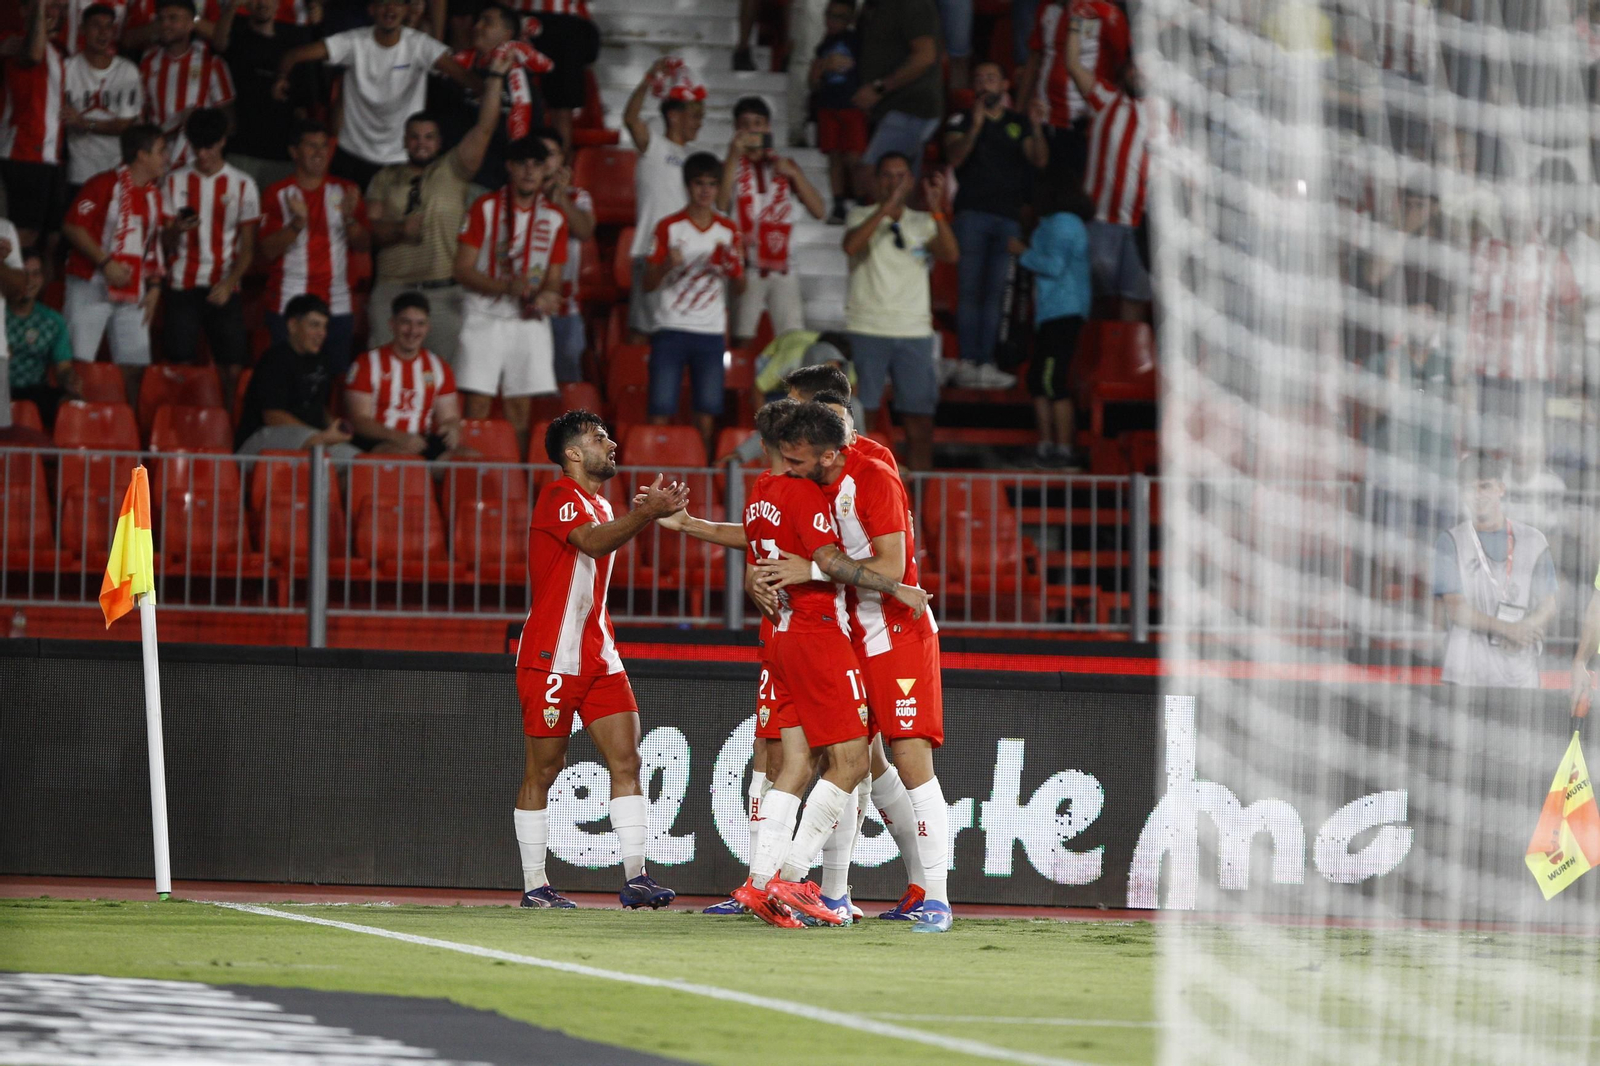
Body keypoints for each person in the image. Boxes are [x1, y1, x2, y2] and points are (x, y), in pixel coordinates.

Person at [659, 400, 928, 923]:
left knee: (797, 764)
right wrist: (897, 586)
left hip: (779, 639)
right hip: (820, 635)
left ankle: (760, 884)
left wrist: (690, 525)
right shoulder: (805, 493)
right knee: (851, 763)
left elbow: (763, 541)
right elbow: (825, 560)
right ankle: (796, 879)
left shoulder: (761, 490)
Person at [758, 400, 952, 931]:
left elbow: (892, 566)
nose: (788, 468)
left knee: (910, 759)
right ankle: (826, 890)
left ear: (827, 453)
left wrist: (811, 573)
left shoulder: (874, 478)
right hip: (848, 638)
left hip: (898, 636)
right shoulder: (813, 480)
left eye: (797, 460)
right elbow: (786, 538)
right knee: (850, 762)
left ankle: (936, 896)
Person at [513, 409, 689, 909]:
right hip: (551, 655)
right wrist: (645, 514)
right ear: (572, 453)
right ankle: (534, 886)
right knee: (543, 770)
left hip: (599, 654)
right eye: (599, 436)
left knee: (628, 759)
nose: (611, 442)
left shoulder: (600, 503)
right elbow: (590, 542)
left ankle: (636, 878)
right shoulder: (558, 496)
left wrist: (643, 514)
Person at [365, 54, 511, 366]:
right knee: (382, 374)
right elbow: (370, 232)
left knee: (443, 377)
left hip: (443, 294)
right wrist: (400, 230)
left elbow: (485, 128)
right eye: (414, 137)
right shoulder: (384, 177)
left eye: (429, 137)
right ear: (404, 141)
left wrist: (495, 76)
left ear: (440, 142)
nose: (421, 143)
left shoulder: (454, 169)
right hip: (391, 289)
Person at [272, 0, 477, 191]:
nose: (390, 9)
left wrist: (492, 91)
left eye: (397, 3)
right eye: (383, 3)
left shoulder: (420, 45)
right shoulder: (354, 41)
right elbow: (293, 55)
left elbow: (464, 77)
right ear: (371, 10)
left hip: (399, 158)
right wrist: (282, 77)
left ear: (406, 10)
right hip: (351, 153)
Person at [842, 152, 957, 471]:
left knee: (920, 422)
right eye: (888, 176)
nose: (894, 182)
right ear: (877, 181)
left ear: (910, 181)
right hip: (868, 327)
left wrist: (936, 212)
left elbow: (951, 253)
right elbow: (850, 246)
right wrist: (883, 211)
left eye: (901, 176)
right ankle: (861, 497)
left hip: (914, 331)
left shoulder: (922, 221)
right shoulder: (860, 215)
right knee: (861, 421)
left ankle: (917, 503)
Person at [453, 135, 566, 456]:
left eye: (536, 165)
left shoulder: (554, 217)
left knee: (520, 407)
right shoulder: (485, 208)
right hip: (483, 314)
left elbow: (554, 280)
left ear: (546, 170)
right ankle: (469, 480)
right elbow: (462, 269)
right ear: (510, 168)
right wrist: (505, 287)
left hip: (527, 318)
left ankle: (513, 481)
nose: (529, 172)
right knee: (477, 401)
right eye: (522, 164)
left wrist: (548, 296)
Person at [942, 61, 1047, 390]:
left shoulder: (1018, 123)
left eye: (991, 78)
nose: (984, 83)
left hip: (1008, 218)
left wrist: (1038, 126)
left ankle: (986, 361)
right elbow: (954, 158)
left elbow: (1039, 159)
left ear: (1005, 85)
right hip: (971, 215)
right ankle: (968, 361)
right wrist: (974, 127)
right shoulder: (960, 119)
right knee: (970, 291)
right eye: (979, 79)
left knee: (996, 293)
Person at [641, 151, 745, 461]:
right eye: (699, 183)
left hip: (710, 331)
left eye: (712, 184)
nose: (705, 191)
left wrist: (732, 269)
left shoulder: (728, 231)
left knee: (707, 412)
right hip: (670, 327)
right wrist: (665, 267)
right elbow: (647, 284)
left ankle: (704, 478)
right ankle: (653, 474)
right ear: (688, 186)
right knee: (660, 407)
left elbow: (740, 288)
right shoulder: (668, 227)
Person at [61, 124, 168, 407]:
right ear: (141, 155)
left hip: (134, 289)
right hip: (90, 284)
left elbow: (151, 246)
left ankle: (128, 433)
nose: (166, 158)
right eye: (160, 151)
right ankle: (73, 427)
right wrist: (105, 262)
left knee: (135, 368)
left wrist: (155, 286)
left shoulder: (154, 195)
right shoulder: (102, 184)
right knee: (79, 362)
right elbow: (72, 226)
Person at [1432, 452, 1558, 689]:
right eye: (1470, 489)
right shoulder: (1450, 541)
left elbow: (1549, 605)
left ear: (1501, 488)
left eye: (1485, 486)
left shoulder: (1534, 540)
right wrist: (1509, 629)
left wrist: (1526, 627)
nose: (1478, 495)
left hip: (1518, 673)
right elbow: (1456, 610)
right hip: (1467, 675)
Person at [160, 107, 259, 402]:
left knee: (232, 367)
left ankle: (227, 424)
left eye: (209, 146)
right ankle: (179, 422)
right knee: (180, 363)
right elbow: (164, 242)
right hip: (181, 283)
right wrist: (176, 229)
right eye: (196, 146)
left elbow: (248, 247)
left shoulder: (243, 185)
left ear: (223, 141)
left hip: (223, 285)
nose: (202, 154)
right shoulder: (174, 181)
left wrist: (230, 284)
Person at [258, 120, 370, 377]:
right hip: (289, 300)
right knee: (288, 376)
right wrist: (297, 224)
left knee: (333, 379)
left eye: (324, 146)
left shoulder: (346, 191)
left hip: (337, 303)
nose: (320, 152)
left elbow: (363, 244)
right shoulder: (277, 193)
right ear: (294, 152)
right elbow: (266, 250)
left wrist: (351, 219)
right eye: (311, 146)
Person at [718, 96, 826, 347]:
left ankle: (789, 388)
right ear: (736, 130)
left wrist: (796, 174)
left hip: (784, 266)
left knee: (793, 342)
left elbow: (819, 210)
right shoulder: (729, 165)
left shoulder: (785, 166)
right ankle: (742, 385)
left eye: (758, 123)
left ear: (768, 128)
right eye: (745, 124)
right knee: (742, 339)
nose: (753, 129)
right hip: (746, 266)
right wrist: (733, 156)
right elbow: (721, 206)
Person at [1063, 21, 1151, 322]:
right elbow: (1073, 65)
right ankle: (1094, 364)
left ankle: (1122, 366)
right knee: (1096, 304)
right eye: (1135, 67)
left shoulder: (1168, 118)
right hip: (1100, 220)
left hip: (1141, 226)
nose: (1139, 74)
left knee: (1133, 304)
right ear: (1125, 69)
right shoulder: (1105, 97)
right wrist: (1076, 25)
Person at [621, 58, 705, 342]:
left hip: (686, 256)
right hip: (651, 250)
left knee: (677, 331)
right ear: (674, 116)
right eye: (694, 115)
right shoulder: (654, 145)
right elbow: (631, 118)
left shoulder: (697, 160)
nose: (700, 123)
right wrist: (648, 78)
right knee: (642, 330)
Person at [1010, 180, 1092, 466]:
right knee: (1038, 379)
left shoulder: (1064, 223)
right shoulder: (1059, 223)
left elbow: (1053, 266)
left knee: (1051, 379)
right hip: (1053, 311)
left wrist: (1022, 251)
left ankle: (1063, 451)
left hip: (1063, 310)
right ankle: (1047, 447)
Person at [1016, 0, 1129, 186]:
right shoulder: (1047, 8)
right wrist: (1019, 110)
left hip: (1083, 124)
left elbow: (1122, 68)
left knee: (1075, 196)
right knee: (1037, 192)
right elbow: (1035, 59)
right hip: (1044, 118)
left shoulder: (1108, 15)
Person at [234, 292, 360, 458]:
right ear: (293, 325)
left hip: (313, 441)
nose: (322, 333)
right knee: (315, 445)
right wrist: (320, 437)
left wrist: (336, 430)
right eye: (315, 325)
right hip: (259, 443)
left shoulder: (321, 361)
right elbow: (273, 417)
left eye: (324, 326)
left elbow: (320, 409)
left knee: (357, 461)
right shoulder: (274, 360)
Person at [217, 0, 325, 192]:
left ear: (278, 5)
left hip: (281, 155)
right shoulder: (238, 37)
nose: (263, 3)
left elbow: (302, 106)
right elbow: (220, 44)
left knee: (277, 218)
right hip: (241, 151)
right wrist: (232, 7)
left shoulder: (293, 48)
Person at [343, 291, 462, 457]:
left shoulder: (439, 367)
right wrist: (399, 437)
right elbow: (359, 421)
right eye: (406, 322)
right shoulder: (367, 363)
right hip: (378, 442)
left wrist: (452, 427)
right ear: (392, 324)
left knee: (470, 460)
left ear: (428, 328)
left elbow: (449, 417)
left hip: (422, 442)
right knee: (402, 458)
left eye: (420, 324)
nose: (413, 331)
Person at [446, 4, 551, 188]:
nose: (477, 27)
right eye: (477, 21)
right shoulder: (456, 70)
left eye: (487, 22)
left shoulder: (523, 85)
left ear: (508, 34)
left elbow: (532, 135)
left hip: (499, 182)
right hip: (454, 175)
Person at [850, 0, 941, 197]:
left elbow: (925, 56)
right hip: (893, 107)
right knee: (901, 185)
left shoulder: (912, 4)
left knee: (870, 178)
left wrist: (878, 89)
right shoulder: (877, 6)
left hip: (910, 105)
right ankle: (899, 226)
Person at [0, 0, 67, 252]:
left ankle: (34, 292)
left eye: (56, 6)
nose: (51, 12)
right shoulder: (12, 40)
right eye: (43, 5)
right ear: (24, 10)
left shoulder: (59, 51)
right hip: (22, 150)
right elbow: (32, 55)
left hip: (50, 156)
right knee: (20, 235)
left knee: (49, 238)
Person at [530, 125, 595, 385]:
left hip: (565, 309)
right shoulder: (520, 196)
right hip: (523, 306)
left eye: (552, 154)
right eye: (540, 154)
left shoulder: (578, 196)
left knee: (566, 387)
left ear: (562, 159)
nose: (546, 161)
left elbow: (584, 231)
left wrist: (561, 200)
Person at [140, 0, 236, 170]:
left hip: (198, 163)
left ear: (191, 24)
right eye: (161, 19)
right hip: (158, 167)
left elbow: (228, 119)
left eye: (173, 18)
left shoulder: (212, 64)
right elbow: (141, 117)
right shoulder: (148, 63)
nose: (165, 24)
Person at [63, 4, 143, 196]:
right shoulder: (67, 68)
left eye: (108, 27)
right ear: (82, 29)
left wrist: (84, 123)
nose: (103, 32)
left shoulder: (127, 70)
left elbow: (125, 125)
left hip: (116, 169)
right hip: (78, 171)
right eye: (96, 26)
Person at [502, 0, 598, 148]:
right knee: (514, 96)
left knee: (561, 107)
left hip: (566, 22)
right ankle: (517, 163)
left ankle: (557, 168)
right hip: (520, 17)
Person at [6, 247, 79, 429]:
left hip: (36, 391)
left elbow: (63, 367)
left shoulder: (53, 321)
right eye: (23, 274)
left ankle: (58, 458)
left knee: (72, 403)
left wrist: (69, 379)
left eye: (36, 274)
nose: (30, 281)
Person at [808, 0, 866, 224]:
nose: (832, 21)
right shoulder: (824, 44)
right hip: (828, 106)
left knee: (854, 157)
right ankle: (839, 204)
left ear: (850, 19)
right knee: (834, 157)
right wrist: (822, 68)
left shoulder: (857, 41)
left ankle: (861, 203)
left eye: (839, 17)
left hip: (852, 107)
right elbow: (813, 82)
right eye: (829, 15)